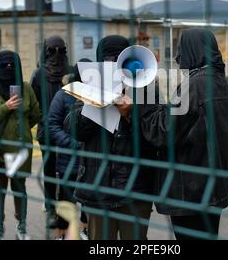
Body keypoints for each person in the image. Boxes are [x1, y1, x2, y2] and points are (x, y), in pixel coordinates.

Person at [132, 28, 228, 240]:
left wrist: (143, 93)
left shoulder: (193, 86)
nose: (177, 56)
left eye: (181, 49)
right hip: (217, 191)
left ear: (191, 50)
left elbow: (161, 132)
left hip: (188, 196)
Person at [65, 35, 156, 240]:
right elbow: (73, 128)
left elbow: (156, 139)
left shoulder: (147, 90)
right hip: (97, 193)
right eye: (108, 61)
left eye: (118, 60)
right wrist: (95, 102)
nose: (113, 66)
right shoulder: (89, 88)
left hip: (135, 193)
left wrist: (129, 114)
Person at [0, 50, 41, 240]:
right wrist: (6, 108)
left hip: (20, 150)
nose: (8, 69)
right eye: (3, 66)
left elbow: (35, 114)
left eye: (12, 65)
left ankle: (21, 225)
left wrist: (21, 129)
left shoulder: (25, 88)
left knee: (19, 189)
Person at [48, 59, 91, 240]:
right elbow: (52, 125)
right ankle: (62, 235)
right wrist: (72, 144)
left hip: (90, 164)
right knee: (66, 203)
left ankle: (85, 231)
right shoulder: (63, 95)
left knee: (89, 203)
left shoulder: (97, 94)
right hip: (68, 162)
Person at [30, 36, 69, 227]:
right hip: (46, 131)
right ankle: (51, 206)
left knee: (68, 170)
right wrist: (44, 120)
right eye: (52, 51)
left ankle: (66, 207)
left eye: (60, 50)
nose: (56, 55)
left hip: (68, 131)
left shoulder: (69, 72)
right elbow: (33, 102)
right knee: (50, 169)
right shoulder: (39, 74)